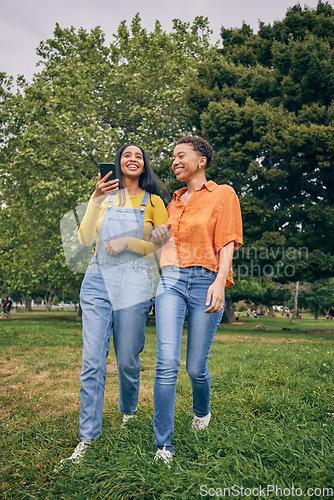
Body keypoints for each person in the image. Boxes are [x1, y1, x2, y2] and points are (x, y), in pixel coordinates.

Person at [56, 144, 168, 468]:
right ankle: (87, 438)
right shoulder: (103, 199)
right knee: (92, 361)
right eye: (126, 156)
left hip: (135, 282)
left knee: (128, 360)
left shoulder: (155, 202)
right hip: (97, 281)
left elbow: (162, 243)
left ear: (143, 165)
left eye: (139, 156)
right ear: (117, 164)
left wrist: (130, 242)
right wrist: (94, 198)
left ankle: (128, 412)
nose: (132, 160)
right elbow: (84, 239)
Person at [150, 136, 243, 464]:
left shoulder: (223, 194)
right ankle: (163, 444)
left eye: (181, 155)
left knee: (195, 367)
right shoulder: (172, 203)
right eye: (172, 157)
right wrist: (158, 239)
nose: (174, 161)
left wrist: (220, 280)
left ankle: (201, 413)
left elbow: (228, 241)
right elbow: (165, 247)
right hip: (172, 281)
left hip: (206, 280)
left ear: (201, 160)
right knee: (166, 363)